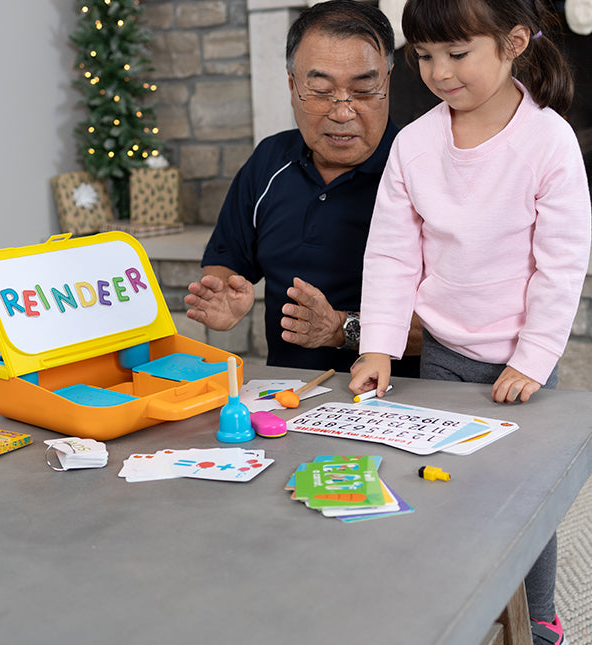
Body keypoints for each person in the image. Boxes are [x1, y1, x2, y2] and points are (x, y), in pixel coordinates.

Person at [349, 1, 591, 644]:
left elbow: (561, 265)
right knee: (446, 485)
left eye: (457, 54)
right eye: (424, 56)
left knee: (521, 504)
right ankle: (465, 606)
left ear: (513, 43)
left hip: (519, 364)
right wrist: (377, 344)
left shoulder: (548, 141)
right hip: (445, 351)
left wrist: (533, 358)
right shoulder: (415, 143)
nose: (438, 72)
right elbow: (394, 251)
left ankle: (539, 622)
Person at [185, 0, 421, 374]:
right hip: (288, 397)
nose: (342, 112)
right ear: (293, 85)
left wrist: (340, 330)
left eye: (362, 91)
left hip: (403, 400)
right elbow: (227, 262)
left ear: (388, 81)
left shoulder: (423, 167)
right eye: (322, 91)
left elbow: (455, 332)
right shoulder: (269, 160)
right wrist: (225, 294)